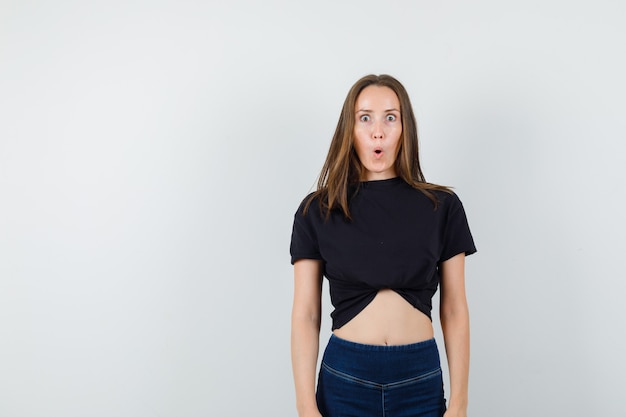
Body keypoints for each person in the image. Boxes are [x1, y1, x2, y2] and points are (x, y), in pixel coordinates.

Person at [289, 74, 476, 417]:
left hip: (418, 378)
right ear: (350, 129)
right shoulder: (317, 210)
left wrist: (460, 403)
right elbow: (306, 314)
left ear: (405, 128)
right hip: (345, 378)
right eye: (365, 118)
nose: (378, 131)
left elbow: (454, 309)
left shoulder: (442, 207)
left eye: (390, 117)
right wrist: (305, 406)